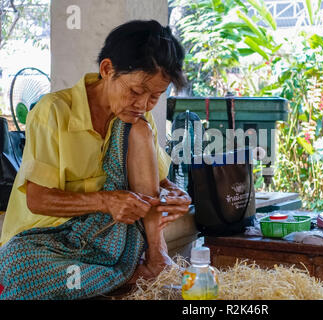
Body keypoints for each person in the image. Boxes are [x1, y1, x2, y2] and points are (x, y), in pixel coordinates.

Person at [0, 20, 191, 299]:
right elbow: (37, 199)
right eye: (136, 92)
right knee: (15, 267)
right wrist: (106, 201)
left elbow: (153, 182)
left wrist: (174, 193)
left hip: (105, 238)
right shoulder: (52, 111)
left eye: (155, 97)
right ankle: (127, 276)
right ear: (107, 70)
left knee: (139, 131)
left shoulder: (136, 119)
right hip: (46, 240)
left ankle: (156, 259)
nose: (143, 104)